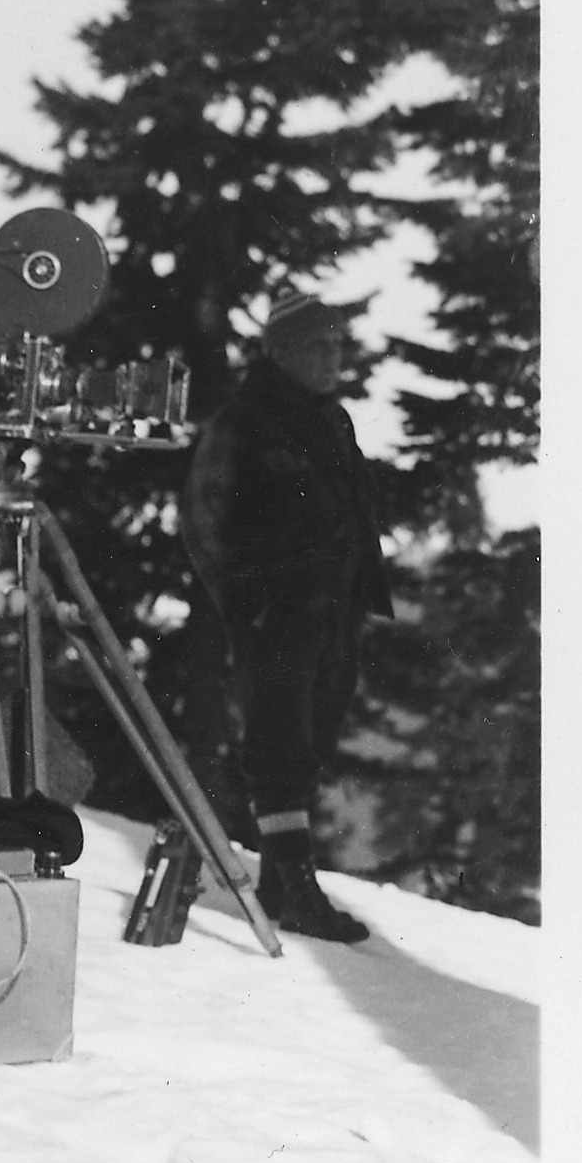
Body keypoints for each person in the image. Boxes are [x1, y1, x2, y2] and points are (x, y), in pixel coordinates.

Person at [179, 285, 394, 944]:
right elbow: (204, 519)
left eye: (338, 344)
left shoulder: (331, 417)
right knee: (279, 742)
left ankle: (280, 877)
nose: (335, 357)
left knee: (312, 741)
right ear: (282, 352)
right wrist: (253, 603)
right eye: (320, 345)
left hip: (332, 611)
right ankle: (296, 888)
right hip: (277, 615)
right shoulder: (244, 419)